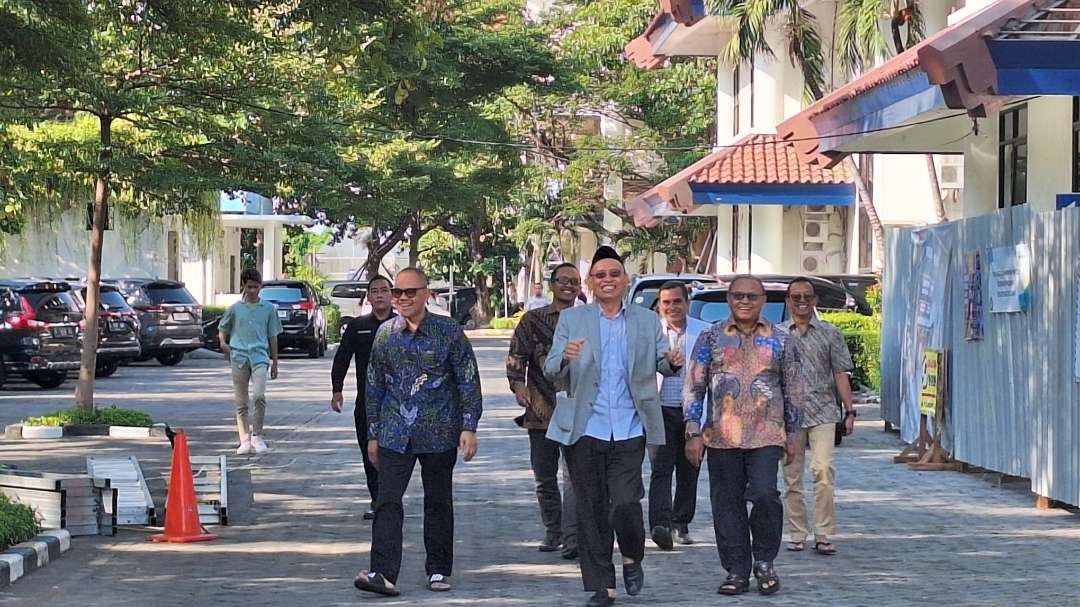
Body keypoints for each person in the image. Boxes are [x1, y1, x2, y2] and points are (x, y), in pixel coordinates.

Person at [544, 246, 681, 607]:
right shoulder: (574, 320)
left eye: (614, 274)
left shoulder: (645, 320)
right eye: (600, 275)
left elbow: (660, 364)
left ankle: (633, 556)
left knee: (624, 503)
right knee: (589, 508)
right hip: (584, 427)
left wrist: (673, 363)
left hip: (630, 426)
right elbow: (550, 368)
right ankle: (601, 586)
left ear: (626, 280)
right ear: (590, 283)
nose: (607, 280)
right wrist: (565, 358)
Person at [354, 267, 482, 597]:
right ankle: (382, 572)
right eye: (398, 293)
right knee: (387, 500)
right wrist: (372, 434)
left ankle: (438, 569)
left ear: (427, 294)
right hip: (395, 433)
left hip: (439, 431)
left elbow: (468, 380)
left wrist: (469, 426)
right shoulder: (385, 335)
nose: (403, 298)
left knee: (438, 501)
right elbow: (374, 387)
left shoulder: (448, 332)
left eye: (411, 292)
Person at [683, 275, 796, 597]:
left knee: (764, 495)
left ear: (763, 301)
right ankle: (737, 569)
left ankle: (764, 560)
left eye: (752, 296)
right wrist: (693, 431)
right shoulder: (711, 337)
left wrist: (795, 434)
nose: (744, 302)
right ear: (729, 300)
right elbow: (694, 386)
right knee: (726, 502)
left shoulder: (781, 339)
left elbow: (794, 388)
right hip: (722, 435)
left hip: (766, 433)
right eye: (738, 296)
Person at [506, 262, 580, 560]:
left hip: (578, 408)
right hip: (541, 409)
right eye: (563, 280)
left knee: (575, 477)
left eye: (574, 281)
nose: (569, 285)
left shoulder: (587, 319)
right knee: (544, 475)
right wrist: (518, 387)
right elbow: (516, 356)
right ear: (552, 284)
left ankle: (575, 534)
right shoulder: (532, 320)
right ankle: (554, 529)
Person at [781, 277, 856, 555]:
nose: (802, 302)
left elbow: (840, 373)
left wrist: (849, 411)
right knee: (792, 476)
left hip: (824, 411)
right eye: (796, 297)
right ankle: (797, 532)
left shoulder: (830, 333)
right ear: (788, 301)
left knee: (823, 470)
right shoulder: (778, 335)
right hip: (789, 415)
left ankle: (823, 533)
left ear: (814, 301)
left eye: (807, 297)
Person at [648, 282, 709, 550]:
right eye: (666, 303)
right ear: (659, 305)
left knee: (689, 468)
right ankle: (659, 524)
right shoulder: (650, 332)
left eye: (677, 301)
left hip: (693, 410)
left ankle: (681, 521)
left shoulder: (703, 332)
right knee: (660, 469)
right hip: (660, 408)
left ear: (687, 302)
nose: (672, 307)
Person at [330, 274, 396, 521]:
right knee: (370, 451)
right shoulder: (358, 326)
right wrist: (337, 390)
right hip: (367, 402)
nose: (379, 295)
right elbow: (342, 359)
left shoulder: (402, 324)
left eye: (384, 290)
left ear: (392, 295)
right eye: (375, 291)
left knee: (394, 452)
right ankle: (377, 498)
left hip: (398, 403)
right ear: (368, 297)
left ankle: (390, 497)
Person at [218, 268, 282, 455]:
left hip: (260, 356)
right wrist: (223, 343)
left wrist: (275, 362)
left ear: (260, 287)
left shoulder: (269, 309)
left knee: (259, 396)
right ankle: (244, 438)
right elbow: (223, 328)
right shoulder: (235, 308)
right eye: (249, 287)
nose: (252, 291)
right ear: (244, 286)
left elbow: (273, 336)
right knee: (241, 401)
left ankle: (258, 435)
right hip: (238, 356)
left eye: (256, 287)